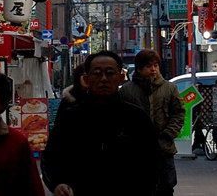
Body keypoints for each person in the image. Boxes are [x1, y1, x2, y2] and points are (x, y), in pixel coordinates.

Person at [41, 50, 161, 196]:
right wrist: (57, 184)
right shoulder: (71, 117)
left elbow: (152, 162)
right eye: (97, 73)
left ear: (121, 77)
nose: (104, 79)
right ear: (86, 79)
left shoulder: (136, 117)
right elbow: (52, 157)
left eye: (110, 73)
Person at [120, 50, 185, 196]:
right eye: (149, 66)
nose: (153, 69)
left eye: (156, 65)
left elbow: (179, 113)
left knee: (166, 187)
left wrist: (168, 133)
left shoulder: (169, 88)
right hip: (136, 150)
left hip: (164, 148)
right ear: (139, 68)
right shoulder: (127, 91)